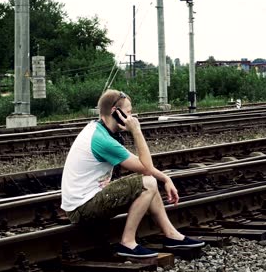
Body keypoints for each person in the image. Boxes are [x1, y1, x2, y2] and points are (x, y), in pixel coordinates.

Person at [60, 89, 204, 258]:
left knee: (147, 182)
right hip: (82, 208)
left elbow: (139, 163)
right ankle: (127, 243)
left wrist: (165, 178)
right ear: (115, 112)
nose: (132, 118)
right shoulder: (102, 140)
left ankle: (172, 235)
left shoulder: (97, 129)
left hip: (85, 200)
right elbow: (146, 166)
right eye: (128, 113)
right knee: (147, 183)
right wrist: (136, 131)